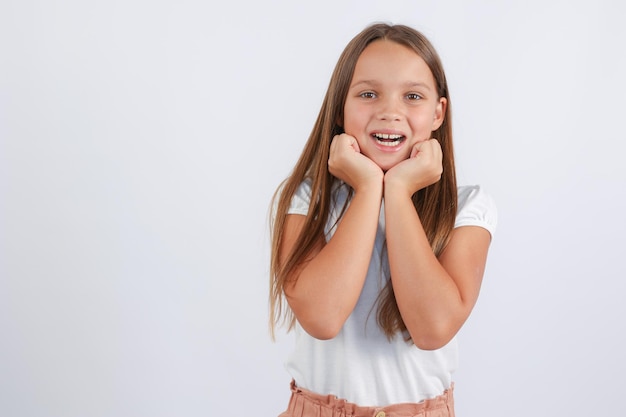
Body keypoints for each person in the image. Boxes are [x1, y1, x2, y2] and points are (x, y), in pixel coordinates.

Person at [269, 22, 497, 417]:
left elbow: (432, 328)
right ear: (341, 107)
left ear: (438, 113)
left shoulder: (468, 209)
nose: (390, 112)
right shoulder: (308, 200)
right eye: (368, 94)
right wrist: (369, 185)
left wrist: (399, 192)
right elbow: (322, 317)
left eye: (412, 96)